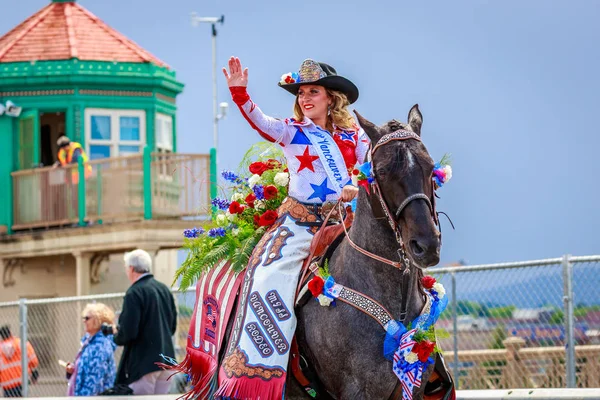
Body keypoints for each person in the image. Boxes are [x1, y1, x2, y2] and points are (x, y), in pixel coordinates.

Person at [214, 57, 369, 399]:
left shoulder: (355, 136)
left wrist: (357, 184)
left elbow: (369, 167)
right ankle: (259, 371)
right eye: (301, 92)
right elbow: (260, 121)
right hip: (299, 225)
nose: (304, 98)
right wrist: (239, 93)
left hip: (346, 222)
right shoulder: (291, 131)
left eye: (313, 91)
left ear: (332, 97)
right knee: (266, 277)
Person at [110, 249, 177, 395]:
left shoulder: (134, 292)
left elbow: (128, 332)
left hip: (144, 364)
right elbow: (172, 327)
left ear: (131, 269)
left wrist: (116, 334)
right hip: (167, 361)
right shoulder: (164, 289)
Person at [65, 303, 116, 396]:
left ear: (98, 320)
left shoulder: (100, 346)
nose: (84, 321)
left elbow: (94, 381)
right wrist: (73, 371)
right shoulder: (88, 343)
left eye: (87, 318)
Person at [0, 325, 39, 398]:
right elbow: (34, 361)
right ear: (10, 333)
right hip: (21, 382)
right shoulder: (22, 344)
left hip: (7, 385)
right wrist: (33, 373)